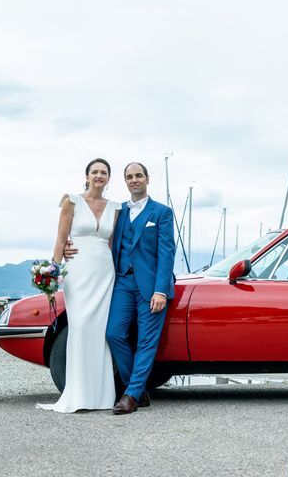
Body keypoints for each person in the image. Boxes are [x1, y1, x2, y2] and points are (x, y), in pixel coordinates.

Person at [37, 158, 120, 413]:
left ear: (108, 179)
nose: (99, 176)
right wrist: (53, 274)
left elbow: (111, 244)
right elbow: (61, 240)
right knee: (81, 326)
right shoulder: (71, 201)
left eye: (103, 172)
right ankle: (78, 393)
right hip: (78, 270)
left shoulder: (115, 207)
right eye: (94, 172)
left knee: (100, 331)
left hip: (105, 272)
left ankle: (102, 396)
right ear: (86, 176)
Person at [101, 162, 176, 414]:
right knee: (113, 333)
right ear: (125, 181)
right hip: (122, 281)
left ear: (147, 179)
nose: (134, 180)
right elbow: (101, 237)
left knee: (146, 341)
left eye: (138, 176)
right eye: (129, 177)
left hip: (151, 286)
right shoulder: (119, 211)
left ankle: (130, 395)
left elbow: (167, 253)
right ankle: (139, 389)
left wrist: (161, 290)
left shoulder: (161, 212)